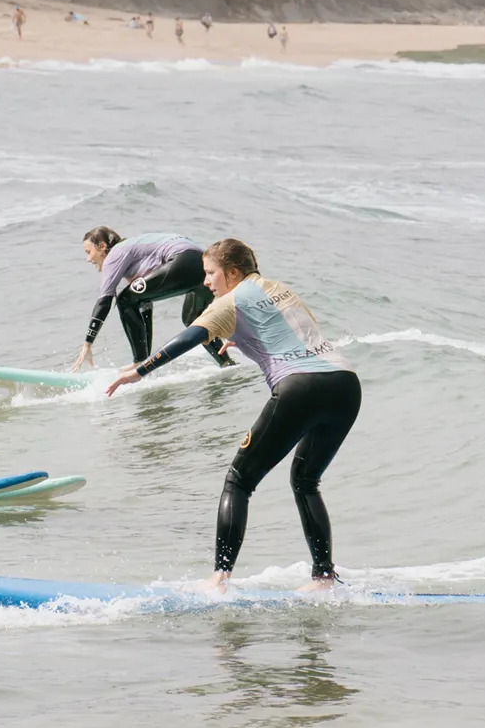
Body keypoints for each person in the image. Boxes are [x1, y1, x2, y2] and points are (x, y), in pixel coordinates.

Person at [106, 238, 362, 593]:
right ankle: (323, 577)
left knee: (239, 480)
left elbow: (188, 338)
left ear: (233, 273)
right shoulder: (279, 288)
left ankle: (219, 578)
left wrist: (140, 370)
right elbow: (297, 331)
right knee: (306, 481)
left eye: (211, 273)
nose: (206, 281)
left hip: (301, 387)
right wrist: (245, 338)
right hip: (345, 385)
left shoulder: (229, 302)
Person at [72, 227, 234, 371]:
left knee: (124, 299)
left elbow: (104, 301)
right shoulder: (135, 255)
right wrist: (145, 361)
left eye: (88, 252)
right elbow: (144, 306)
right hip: (204, 265)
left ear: (102, 246)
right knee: (193, 319)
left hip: (183, 259)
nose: (88, 259)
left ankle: (138, 362)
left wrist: (87, 344)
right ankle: (226, 363)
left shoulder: (115, 253)